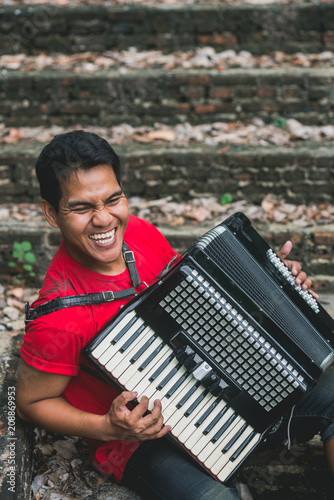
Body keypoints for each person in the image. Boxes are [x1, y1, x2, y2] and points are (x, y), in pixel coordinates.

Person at [16, 130, 334, 500]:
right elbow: (29, 403)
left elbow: (194, 300)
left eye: (113, 199)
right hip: (142, 443)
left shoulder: (138, 233)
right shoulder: (56, 318)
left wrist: (277, 290)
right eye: (82, 208)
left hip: (221, 397)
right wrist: (108, 426)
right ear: (51, 212)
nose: (104, 220)